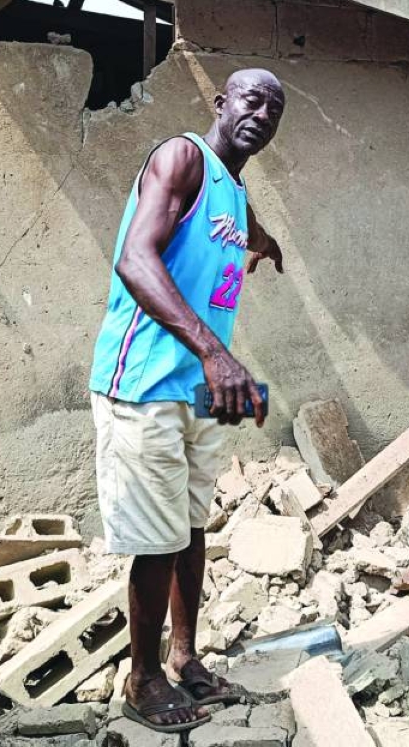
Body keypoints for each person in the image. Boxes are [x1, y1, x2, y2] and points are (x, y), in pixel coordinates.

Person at [87, 69, 286, 733]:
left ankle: (184, 657)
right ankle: (141, 680)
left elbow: (238, 222)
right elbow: (136, 260)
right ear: (221, 103)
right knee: (157, 539)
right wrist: (214, 351)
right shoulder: (182, 158)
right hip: (145, 383)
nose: (263, 113)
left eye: (275, 109)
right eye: (252, 100)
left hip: (200, 392)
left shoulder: (231, 186)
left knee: (191, 526)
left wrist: (266, 243)